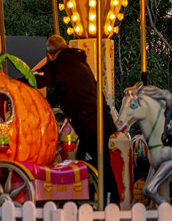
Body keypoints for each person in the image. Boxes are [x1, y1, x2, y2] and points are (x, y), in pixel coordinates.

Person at [35, 35, 119, 205]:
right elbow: (56, 95)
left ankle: (110, 209)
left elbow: (34, 79)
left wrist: (12, 84)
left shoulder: (59, 66)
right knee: (87, 165)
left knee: (99, 167)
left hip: (91, 124)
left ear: (50, 55)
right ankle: (88, 206)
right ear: (65, 46)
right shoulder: (82, 64)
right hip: (102, 119)